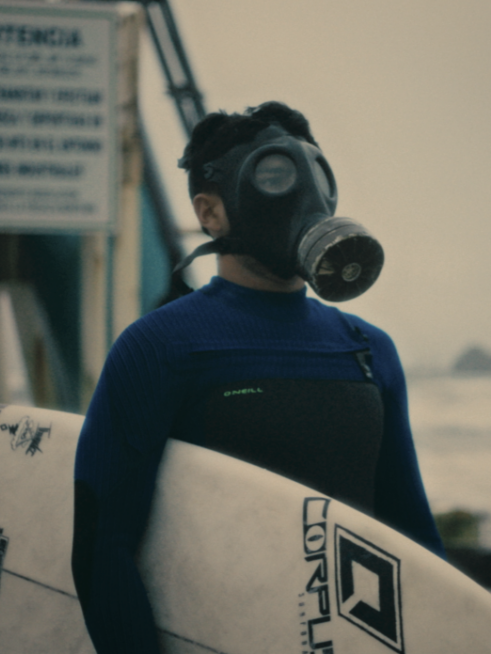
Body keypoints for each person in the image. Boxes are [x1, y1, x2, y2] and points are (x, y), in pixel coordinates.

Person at [71, 101, 444, 653]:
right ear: (210, 213)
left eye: (316, 176)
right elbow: (103, 546)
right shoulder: (158, 347)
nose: (306, 198)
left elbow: (413, 539)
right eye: (274, 177)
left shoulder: (368, 350)